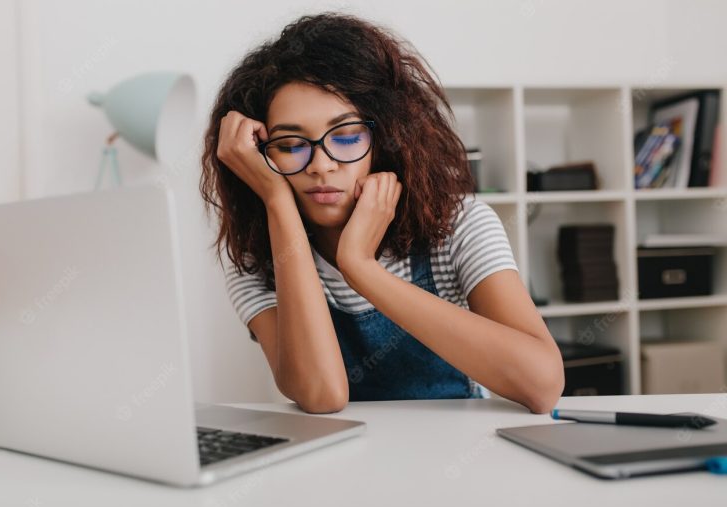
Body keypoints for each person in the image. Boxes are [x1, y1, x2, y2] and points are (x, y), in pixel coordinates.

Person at [200, 12, 563, 414]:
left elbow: (542, 384)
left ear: (386, 140)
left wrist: (360, 266)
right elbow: (321, 395)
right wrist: (277, 201)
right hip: (343, 467)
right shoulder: (256, 258)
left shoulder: (460, 225)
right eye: (289, 144)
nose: (321, 165)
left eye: (347, 136)